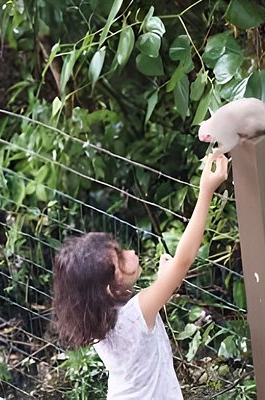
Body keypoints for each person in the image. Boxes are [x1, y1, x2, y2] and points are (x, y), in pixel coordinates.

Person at [52, 154, 229, 399]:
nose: (131, 254)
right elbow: (184, 260)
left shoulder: (95, 316)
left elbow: (141, 316)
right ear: (108, 289)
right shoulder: (137, 312)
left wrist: (162, 284)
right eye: (121, 261)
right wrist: (206, 190)